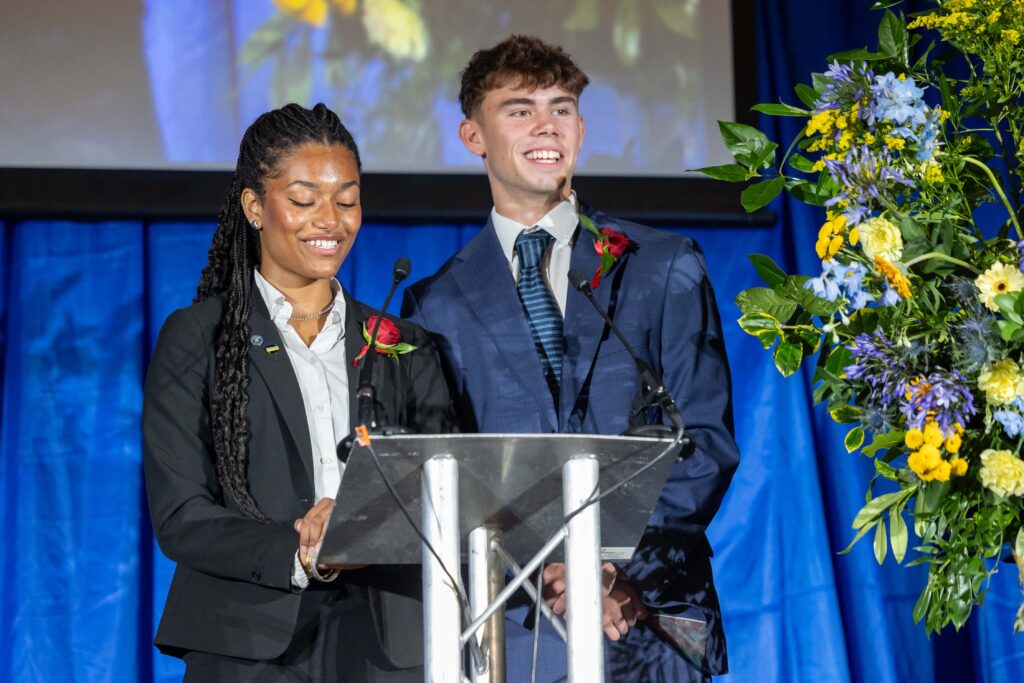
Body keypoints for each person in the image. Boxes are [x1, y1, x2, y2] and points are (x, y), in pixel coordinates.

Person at [402, 36, 740, 682]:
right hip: (515, 632)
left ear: (582, 127)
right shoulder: (436, 304)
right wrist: (549, 573)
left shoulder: (663, 266)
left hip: (650, 621)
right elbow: (446, 480)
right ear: (473, 135)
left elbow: (704, 442)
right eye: (520, 109)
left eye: (561, 108)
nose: (546, 127)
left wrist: (610, 562)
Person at [144, 102, 452, 681]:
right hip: (247, 641)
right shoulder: (198, 337)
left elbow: (446, 488)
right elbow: (183, 514)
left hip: (392, 646)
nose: (330, 221)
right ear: (255, 207)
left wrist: (367, 522)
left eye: (347, 200)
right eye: (305, 200)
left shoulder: (403, 342)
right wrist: (301, 550)